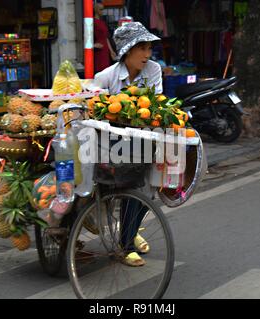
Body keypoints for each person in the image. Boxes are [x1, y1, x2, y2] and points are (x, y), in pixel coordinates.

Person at [94, 22, 162, 267]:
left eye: (149, 48)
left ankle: (129, 233)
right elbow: (95, 113)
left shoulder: (153, 70)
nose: (147, 54)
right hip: (110, 146)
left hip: (143, 139)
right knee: (126, 189)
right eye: (141, 48)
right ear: (127, 51)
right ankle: (126, 243)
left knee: (150, 189)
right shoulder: (105, 77)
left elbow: (156, 106)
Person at [94, 3, 116, 73]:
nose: (102, 11)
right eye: (101, 9)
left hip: (105, 49)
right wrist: (93, 45)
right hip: (99, 49)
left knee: (106, 70)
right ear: (96, 10)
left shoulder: (102, 22)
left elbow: (106, 37)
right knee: (100, 69)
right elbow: (86, 36)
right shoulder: (93, 22)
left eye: (103, 9)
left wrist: (111, 51)